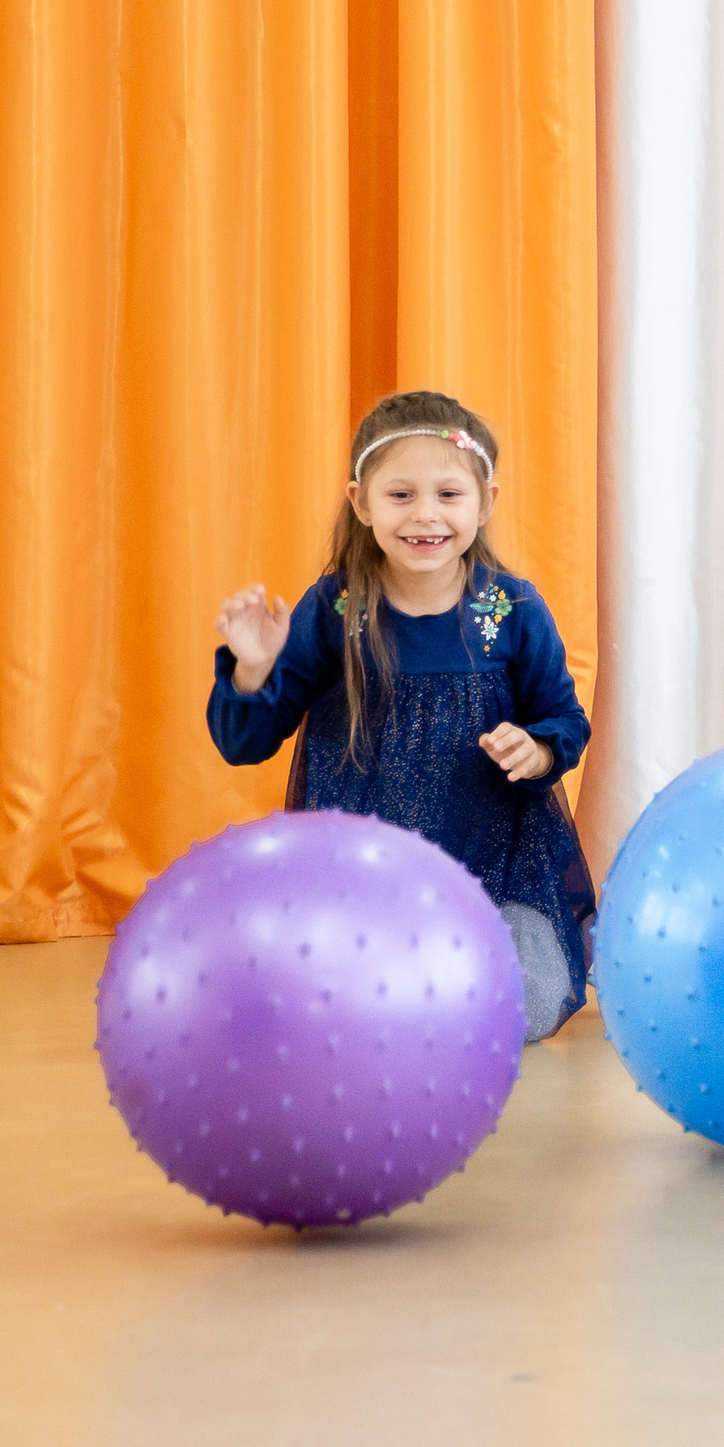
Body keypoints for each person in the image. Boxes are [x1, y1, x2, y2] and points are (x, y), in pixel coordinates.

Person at [208, 392, 596, 1044]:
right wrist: (251, 670)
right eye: (400, 495)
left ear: (487, 501)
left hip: (486, 873)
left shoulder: (513, 608)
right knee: (335, 1007)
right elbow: (248, 740)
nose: (426, 515)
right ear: (361, 502)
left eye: (449, 494)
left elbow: (563, 719)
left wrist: (537, 749)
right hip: (358, 885)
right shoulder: (336, 607)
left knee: (508, 1002)